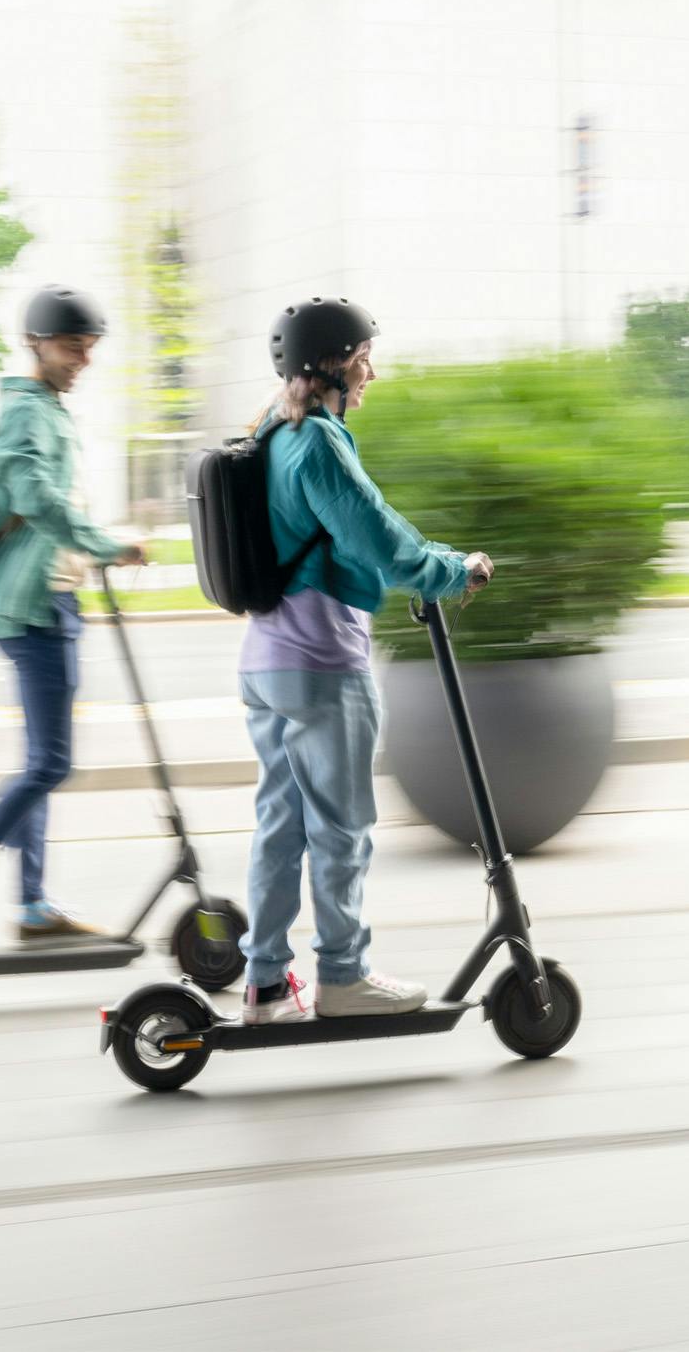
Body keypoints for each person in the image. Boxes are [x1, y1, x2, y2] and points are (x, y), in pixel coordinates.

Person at [238, 297, 493, 1024]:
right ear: (328, 368)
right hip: (322, 664)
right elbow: (378, 541)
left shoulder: (268, 433)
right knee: (341, 829)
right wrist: (455, 570)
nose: (371, 373)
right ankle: (343, 977)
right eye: (361, 360)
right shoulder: (316, 443)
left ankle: (264, 985)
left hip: (266, 665)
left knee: (281, 828)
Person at [0, 285, 144, 953]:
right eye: (74, 347)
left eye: (90, 348)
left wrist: (88, 555)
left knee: (41, 762)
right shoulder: (24, 412)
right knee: (49, 764)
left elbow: (48, 507)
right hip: (32, 608)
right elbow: (36, 496)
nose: (83, 359)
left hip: (50, 600)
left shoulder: (44, 407)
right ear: (36, 344)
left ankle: (34, 906)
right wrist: (107, 544)